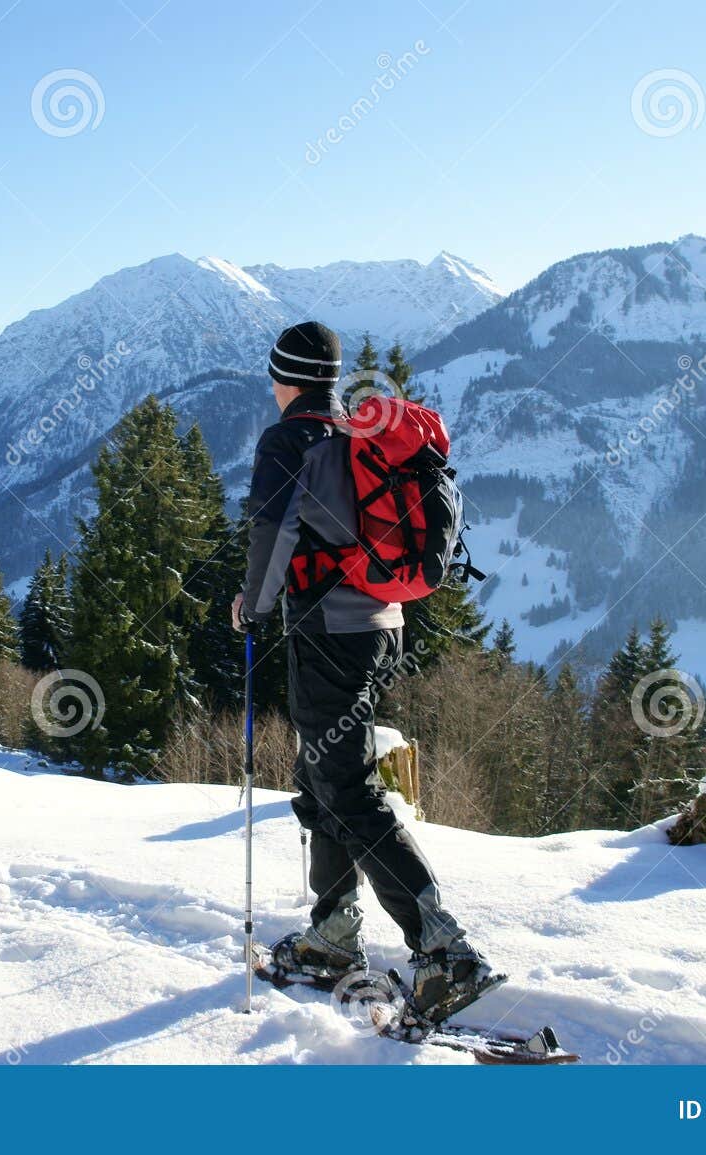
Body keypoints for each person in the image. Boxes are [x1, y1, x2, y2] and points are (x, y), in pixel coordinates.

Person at [231, 320, 493, 1024]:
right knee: (322, 780)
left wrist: (251, 606)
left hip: (328, 632)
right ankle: (334, 934)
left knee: (344, 787)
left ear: (282, 377)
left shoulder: (290, 438)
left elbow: (272, 529)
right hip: (382, 625)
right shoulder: (350, 432)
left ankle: (444, 949)